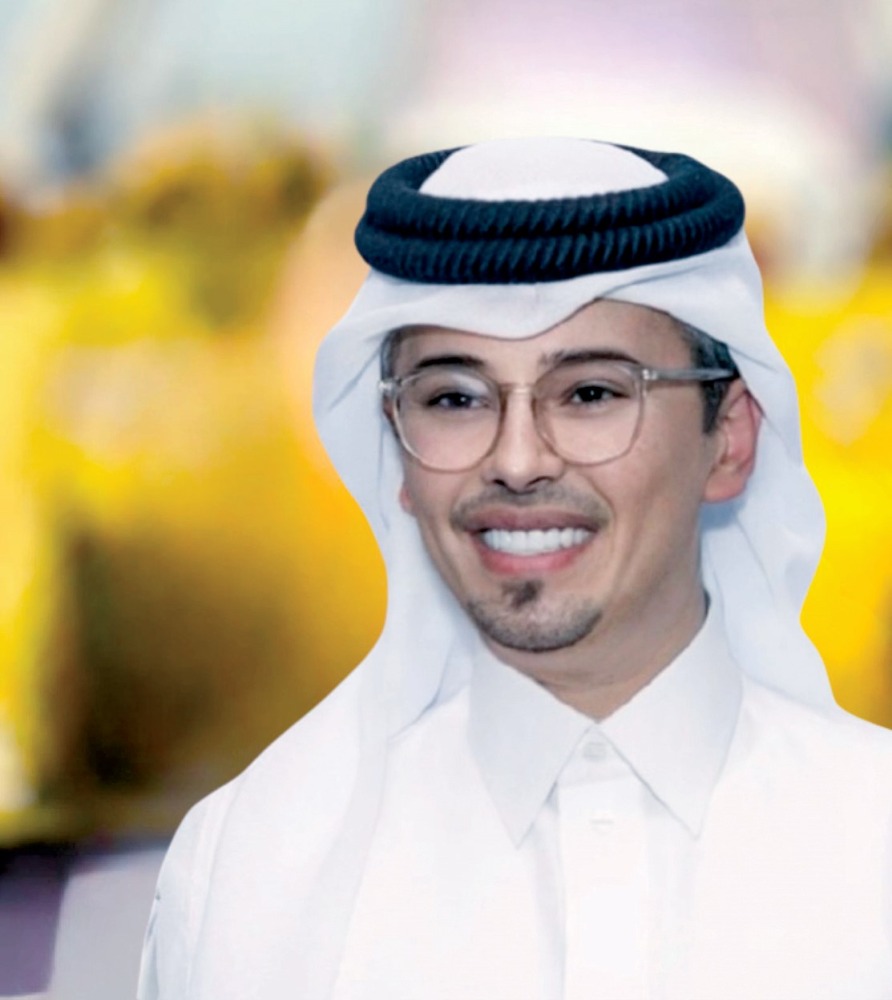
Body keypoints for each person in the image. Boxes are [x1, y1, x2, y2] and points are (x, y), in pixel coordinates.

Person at [138, 138, 892, 1000]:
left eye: (593, 393)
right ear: (397, 454)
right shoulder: (252, 874)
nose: (519, 460)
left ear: (729, 439)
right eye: (455, 399)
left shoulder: (873, 848)